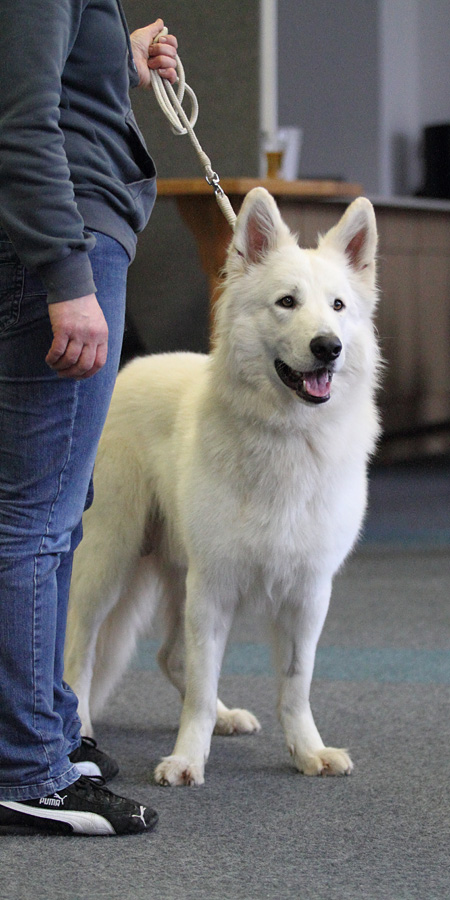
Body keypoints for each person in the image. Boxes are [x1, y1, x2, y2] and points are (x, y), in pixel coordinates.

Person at [0, 1, 178, 836]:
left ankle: (46, 735)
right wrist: (68, 276)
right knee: (34, 521)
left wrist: (120, 57)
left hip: (70, 233)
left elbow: (48, 85)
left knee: (54, 518)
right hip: (63, 242)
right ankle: (28, 768)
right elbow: (22, 120)